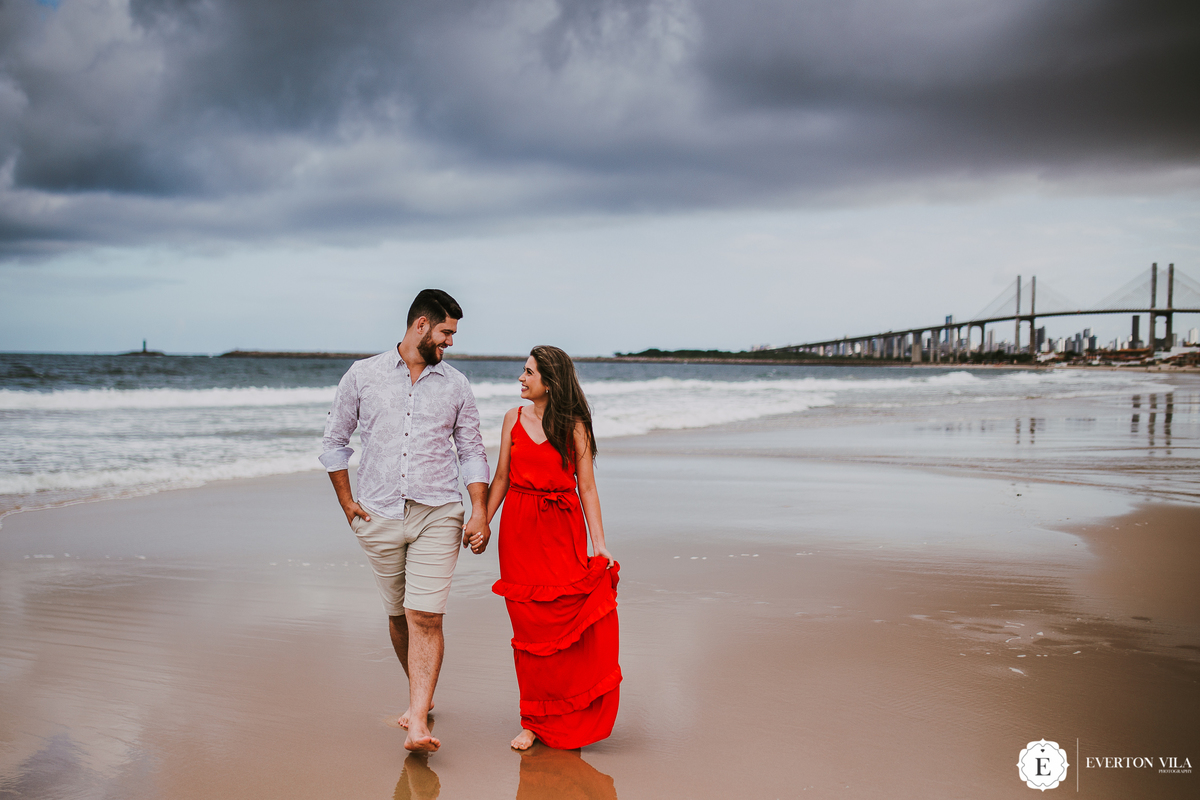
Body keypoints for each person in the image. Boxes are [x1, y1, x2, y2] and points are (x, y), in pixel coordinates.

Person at [319, 289, 491, 753]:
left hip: (439, 512)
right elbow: (334, 441)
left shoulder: (456, 385)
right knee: (399, 616)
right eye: (446, 332)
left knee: (425, 615)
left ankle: (417, 720)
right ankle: (422, 696)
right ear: (421, 326)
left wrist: (478, 510)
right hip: (378, 514)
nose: (451, 342)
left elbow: (472, 451)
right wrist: (347, 502)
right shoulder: (363, 375)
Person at [480, 345, 621, 751]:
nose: (521, 378)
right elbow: (502, 478)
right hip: (519, 533)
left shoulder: (575, 426)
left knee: (562, 627)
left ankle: (566, 711)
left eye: (529, 372)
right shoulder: (512, 418)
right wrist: (482, 522)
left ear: (551, 381)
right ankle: (532, 721)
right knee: (528, 633)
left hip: (562, 532)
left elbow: (587, 488)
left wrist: (600, 546)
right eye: (523, 371)